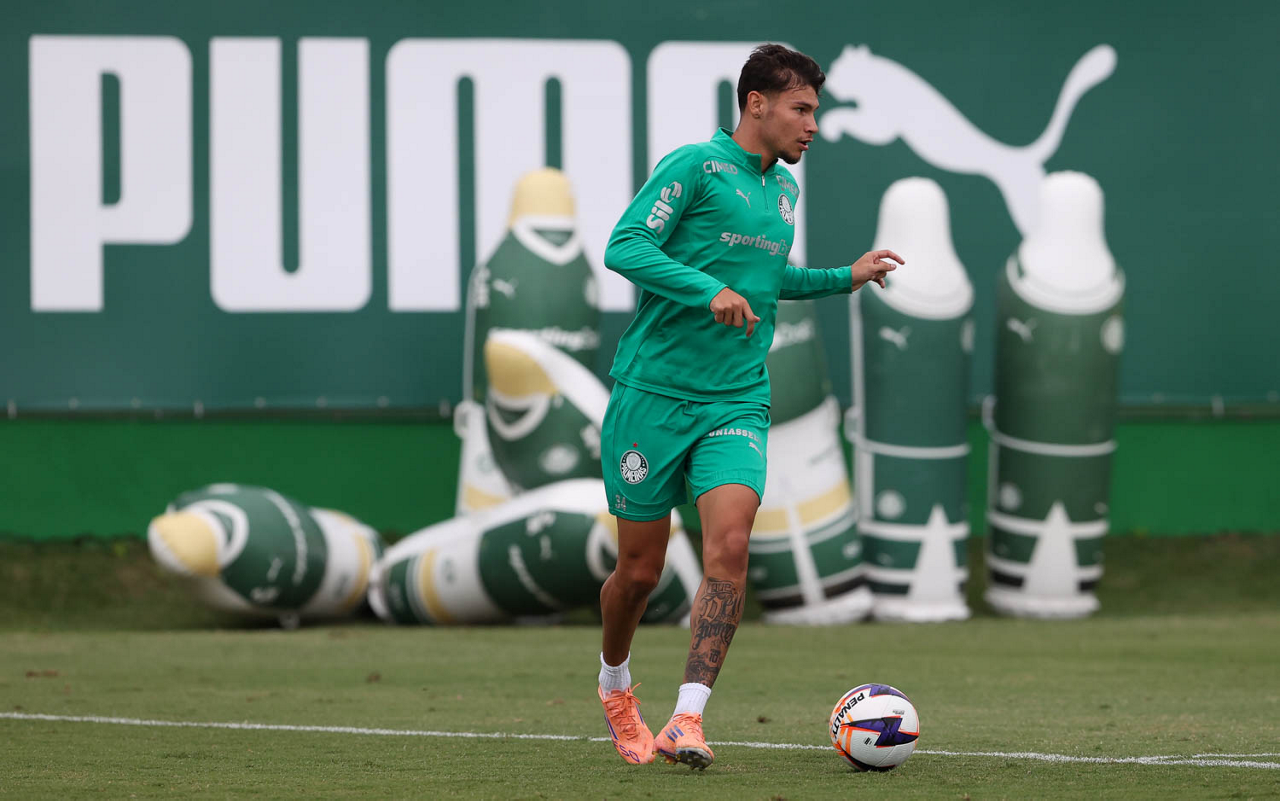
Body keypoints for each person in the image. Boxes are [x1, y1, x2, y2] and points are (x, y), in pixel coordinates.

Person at [595, 43, 904, 770]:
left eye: (815, 111)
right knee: (638, 573)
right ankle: (615, 684)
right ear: (756, 104)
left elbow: (765, 281)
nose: (813, 125)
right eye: (801, 109)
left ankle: (687, 718)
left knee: (730, 546)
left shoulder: (785, 191)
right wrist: (707, 290)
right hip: (651, 395)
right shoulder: (695, 166)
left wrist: (843, 277)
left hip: (736, 397)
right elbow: (624, 246)